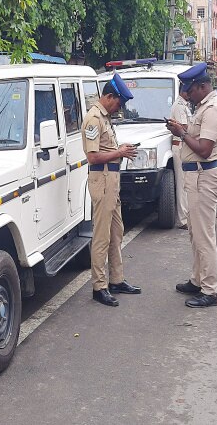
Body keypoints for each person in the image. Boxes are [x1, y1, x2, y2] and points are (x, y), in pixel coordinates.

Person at [166, 63, 217, 308]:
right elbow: (197, 136)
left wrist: (181, 134)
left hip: (204, 175)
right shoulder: (203, 106)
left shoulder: (212, 109)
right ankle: (198, 279)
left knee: (204, 236)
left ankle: (210, 290)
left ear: (203, 86)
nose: (188, 94)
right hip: (197, 176)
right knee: (195, 233)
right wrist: (182, 129)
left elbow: (204, 149)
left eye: (191, 90)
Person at [81, 73, 141, 307]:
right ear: (108, 96)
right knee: (102, 236)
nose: (120, 107)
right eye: (118, 102)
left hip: (111, 180)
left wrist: (119, 150)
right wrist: (119, 153)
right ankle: (99, 286)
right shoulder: (93, 119)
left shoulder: (104, 117)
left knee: (117, 233)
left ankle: (116, 279)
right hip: (102, 178)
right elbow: (93, 156)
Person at [169, 89, 192, 229]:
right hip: (180, 145)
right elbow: (183, 127)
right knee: (182, 183)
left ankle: (187, 216)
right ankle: (183, 219)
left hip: (184, 146)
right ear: (184, 91)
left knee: (186, 183)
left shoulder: (184, 105)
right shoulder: (179, 106)